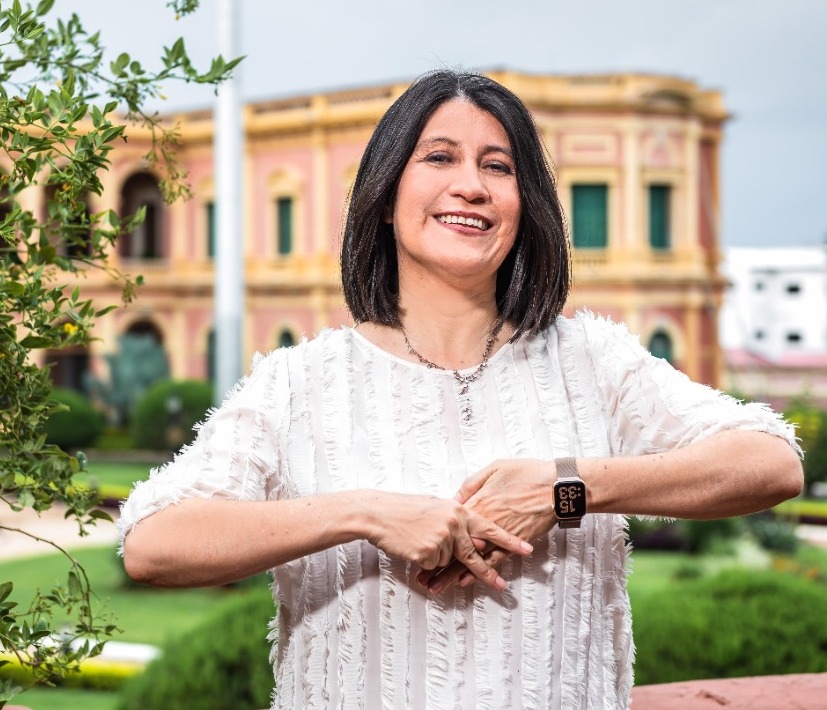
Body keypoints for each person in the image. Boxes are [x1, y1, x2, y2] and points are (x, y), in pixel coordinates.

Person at [119, 70, 803, 709]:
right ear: (384, 197)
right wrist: (365, 513)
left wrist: (565, 489)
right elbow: (154, 543)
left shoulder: (589, 360)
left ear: (523, 205)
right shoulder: (300, 381)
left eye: (497, 166)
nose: (470, 186)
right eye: (438, 158)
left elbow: (771, 462)